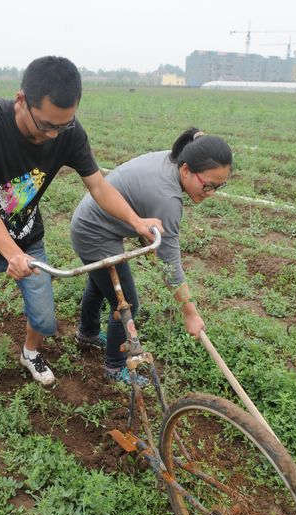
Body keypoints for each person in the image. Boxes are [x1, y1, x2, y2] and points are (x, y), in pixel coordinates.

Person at [0, 56, 162, 385]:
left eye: (63, 125)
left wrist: (136, 221)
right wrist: (11, 254)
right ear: (21, 100)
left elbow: (98, 185)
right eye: (46, 125)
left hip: (27, 238)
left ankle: (30, 354)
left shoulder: (69, 133)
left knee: (44, 319)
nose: (53, 135)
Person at [71, 128, 232, 386]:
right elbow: (169, 263)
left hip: (91, 219)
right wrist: (189, 313)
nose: (211, 193)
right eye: (208, 185)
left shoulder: (172, 160)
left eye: (219, 186)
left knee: (101, 282)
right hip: (94, 233)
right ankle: (114, 367)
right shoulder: (167, 199)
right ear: (187, 170)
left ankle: (87, 334)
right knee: (126, 302)